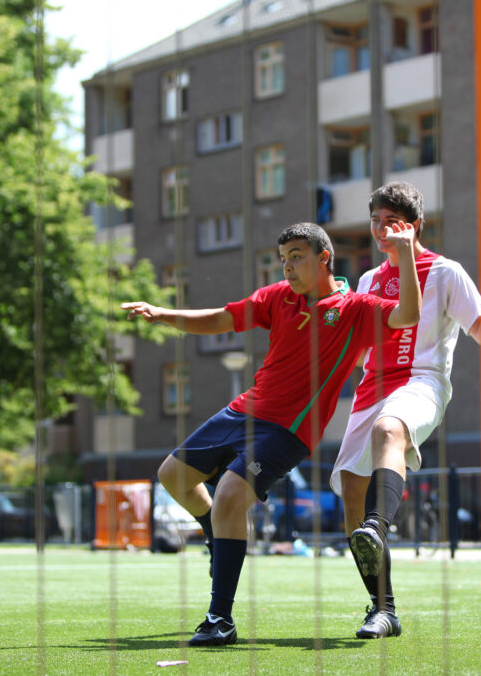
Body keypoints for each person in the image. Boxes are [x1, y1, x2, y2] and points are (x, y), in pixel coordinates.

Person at [122, 221, 422, 647]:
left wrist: (405, 251)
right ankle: (216, 534)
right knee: (172, 475)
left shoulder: (355, 308)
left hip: (288, 430)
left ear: (324, 258)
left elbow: (408, 315)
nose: (287, 268)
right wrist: (162, 314)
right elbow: (222, 319)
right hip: (243, 410)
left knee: (229, 495)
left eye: (296, 257)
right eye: (283, 259)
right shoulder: (278, 298)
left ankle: (219, 619)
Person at [331, 181, 481, 639]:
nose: (380, 231)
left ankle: (381, 524)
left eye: (390, 222)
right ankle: (384, 610)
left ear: (414, 225)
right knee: (350, 504)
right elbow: (361, 350)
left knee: (389, 428)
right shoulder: (366, 280)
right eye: (374, 222)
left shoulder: (445, 272)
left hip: (423, 381)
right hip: (371, 387)